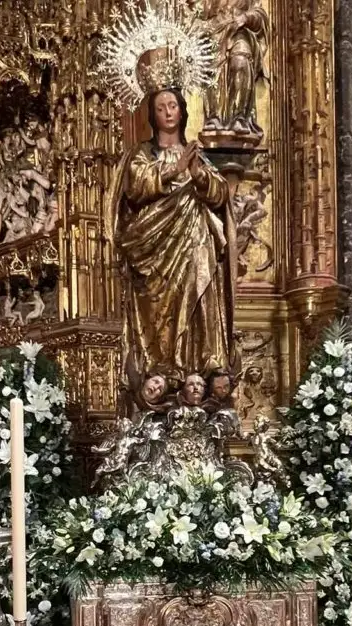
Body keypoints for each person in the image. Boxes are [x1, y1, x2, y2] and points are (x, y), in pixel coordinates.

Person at [107, 88, 238, 401]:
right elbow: (135, 187)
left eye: (173, 105)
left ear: (182, 111)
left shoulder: (196, 155)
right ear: (152, 115)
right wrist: (173, 170)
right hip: (153, 249)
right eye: (161, 107)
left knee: (201, 284)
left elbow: (220, 194)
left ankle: (204, 362)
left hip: (195, 244)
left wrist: (197, 175)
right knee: (160, 310)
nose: (167, 112)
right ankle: (165, 366)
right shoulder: (141, 153)